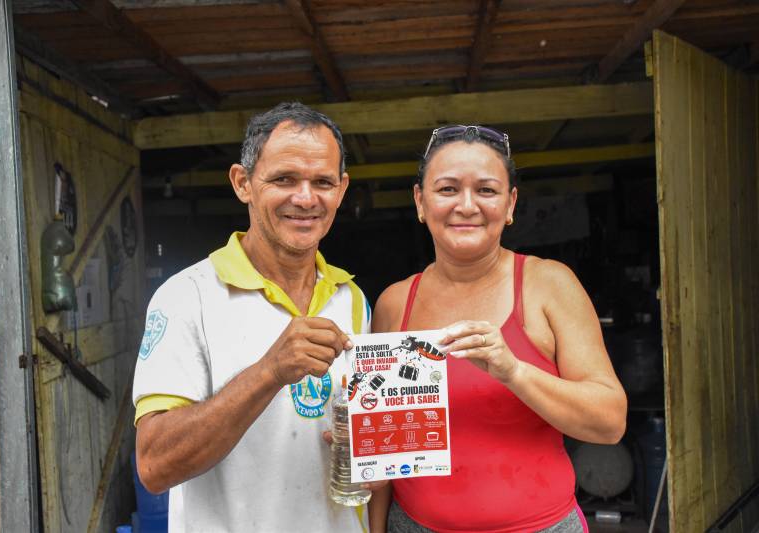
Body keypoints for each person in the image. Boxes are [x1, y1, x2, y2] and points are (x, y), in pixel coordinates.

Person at [369, 125, 627, 533]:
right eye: (448, 189)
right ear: (420, 201)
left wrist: (514, 371)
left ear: (510, 204)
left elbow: (610, 423)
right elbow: (384, 448)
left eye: (486, 190)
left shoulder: (549, 284)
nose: (466, 205)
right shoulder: (394, 303)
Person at [132, 102, 373, 532]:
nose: (306, 198)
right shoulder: (187, 296)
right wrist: (269, 372)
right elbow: (154, 466)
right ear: (242, 183)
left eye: (322, 182)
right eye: (284, 179)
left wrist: (372, 449)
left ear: (342, 189)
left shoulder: (351, 297)